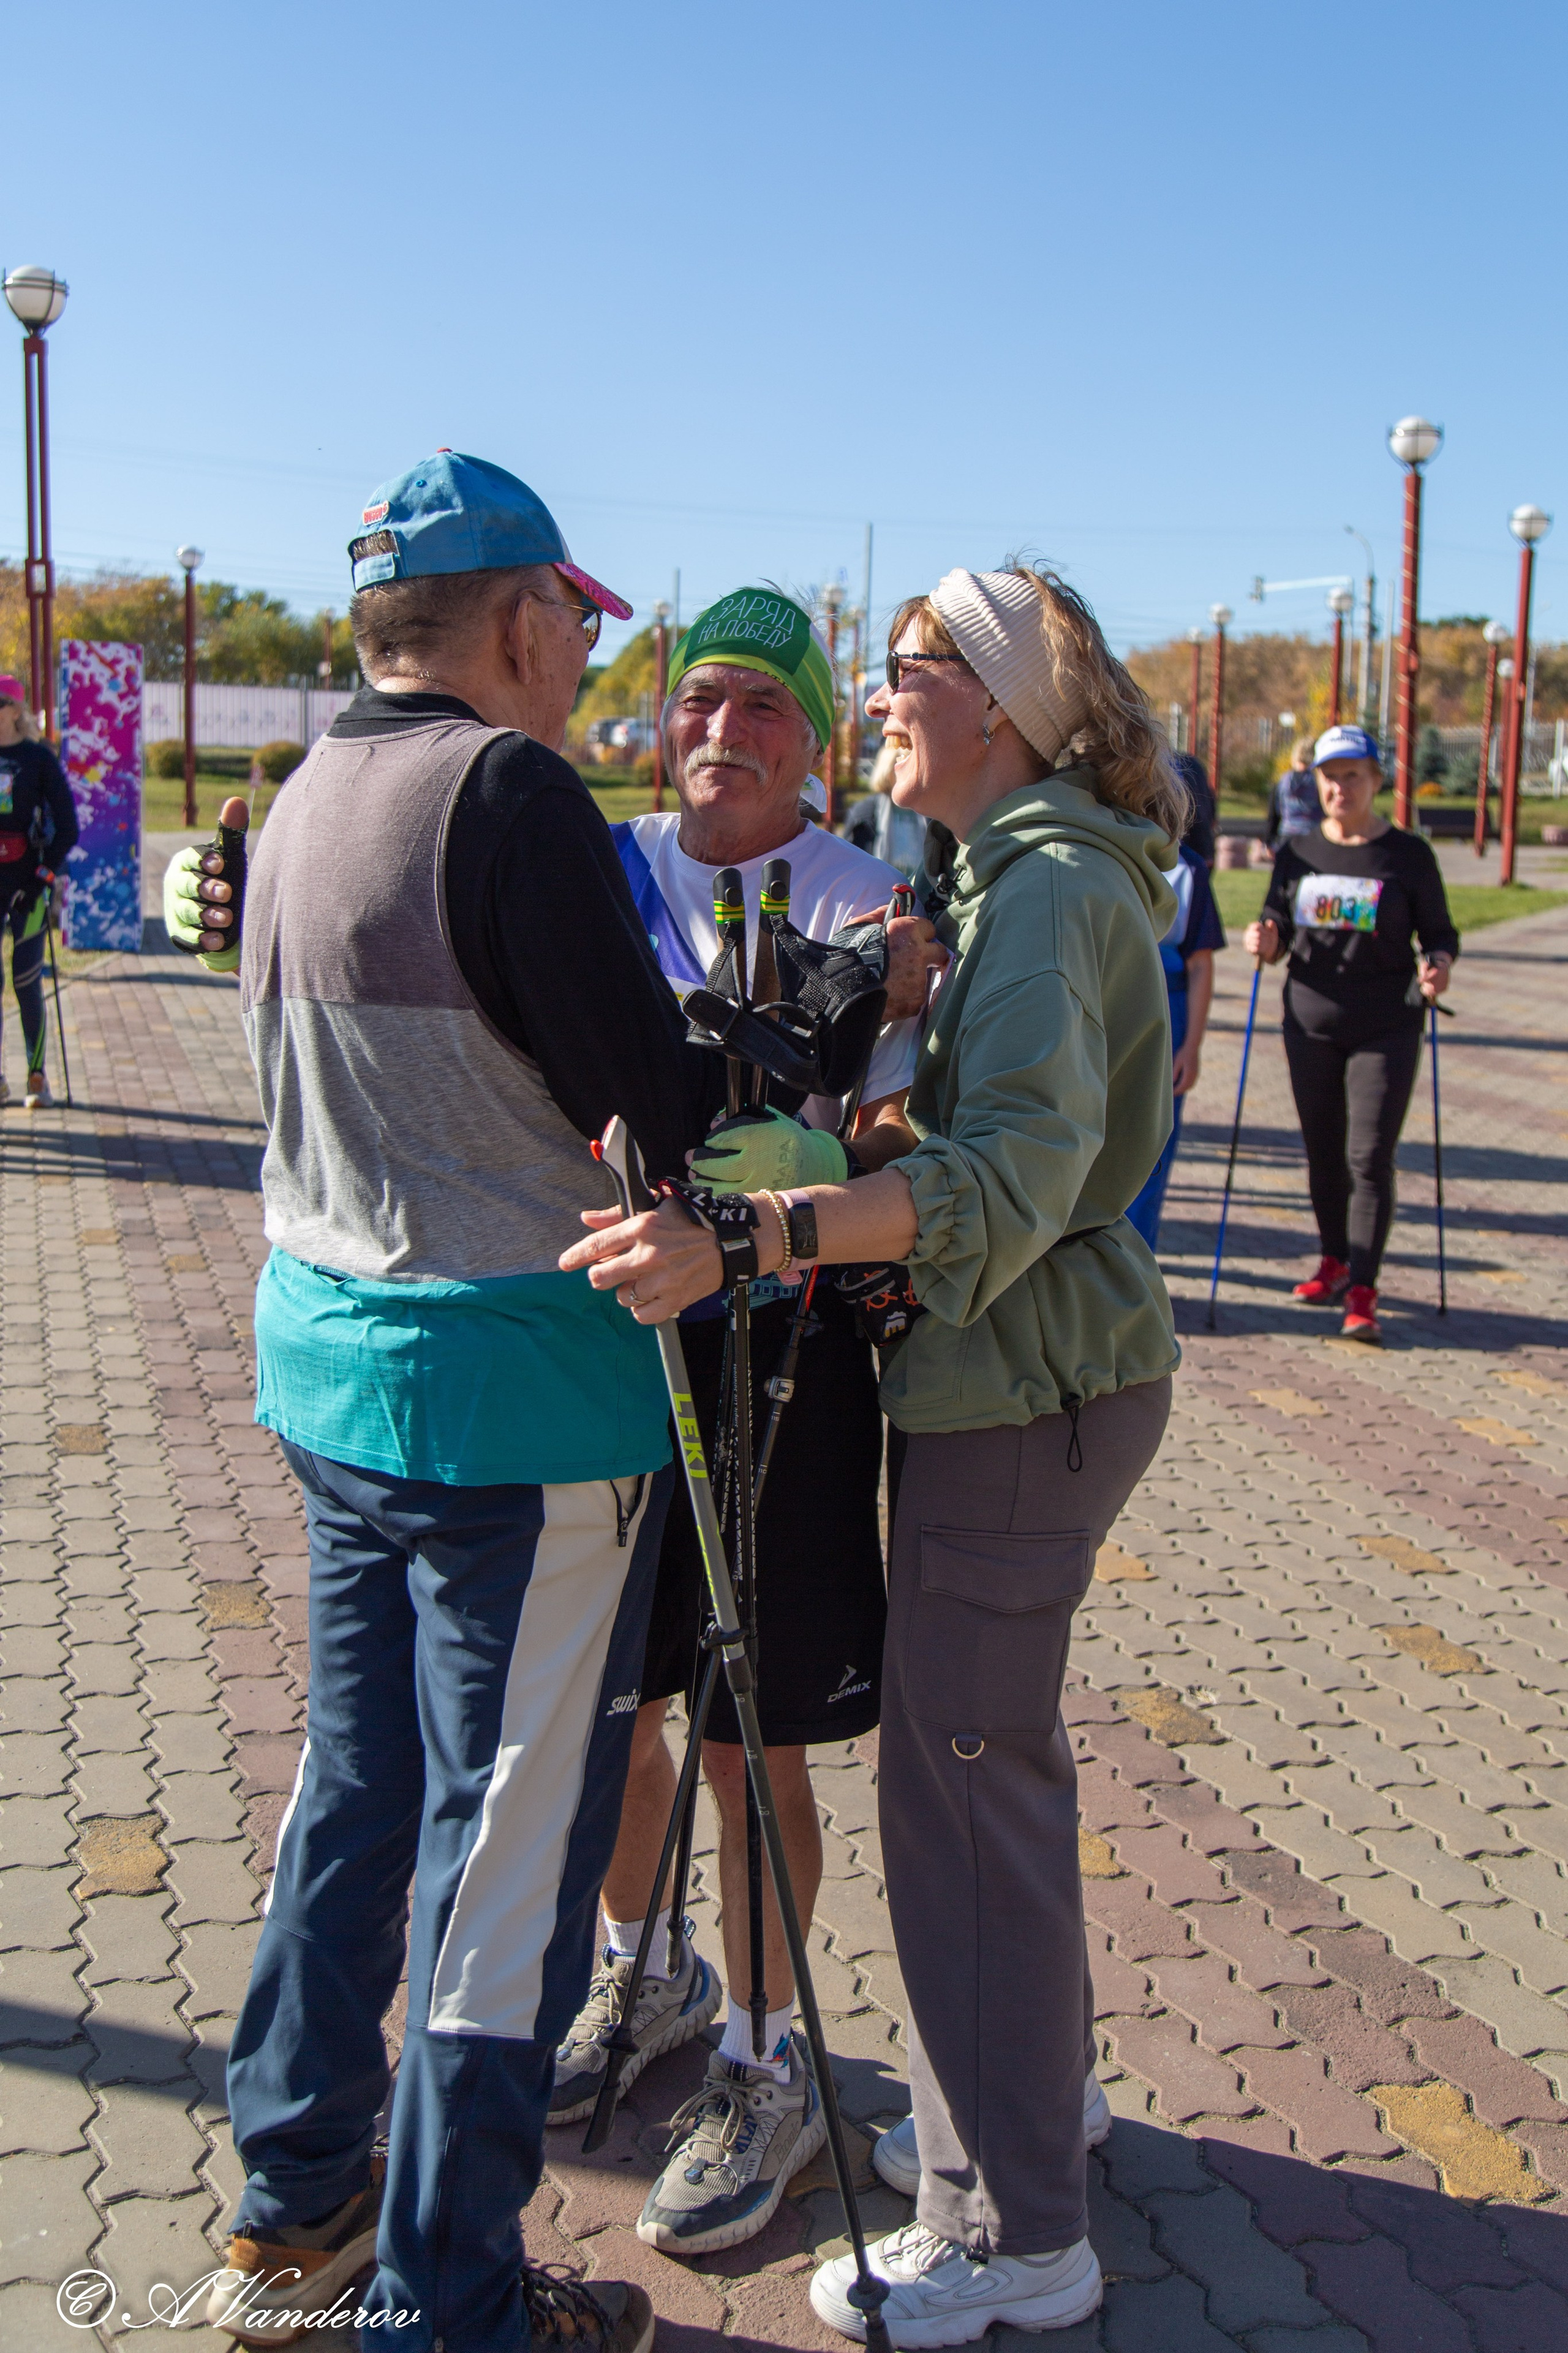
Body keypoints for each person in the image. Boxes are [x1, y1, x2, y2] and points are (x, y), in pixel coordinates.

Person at [173, 452, 793, 2353]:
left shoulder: (299, 796)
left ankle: (296, 2205)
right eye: (579, 626)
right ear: (519, 618)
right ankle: (451, 2297)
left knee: (350, 1797)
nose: (584, 663)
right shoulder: (505, 791)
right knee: (504, 1846)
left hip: (334, 1369)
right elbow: (650, 1106)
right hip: (514, 1400)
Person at [565, 563, 1187, 2343]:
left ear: (994, 705)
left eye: (907, 667)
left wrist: (763, 1232)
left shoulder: (1050, 884)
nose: (879, 691)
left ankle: (1008, 2227)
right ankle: (1033, 2096)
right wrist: (846, 1120)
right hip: (1017, 1381)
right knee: (1000, 1774)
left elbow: (1005, 1183)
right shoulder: (1000, 873)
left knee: (957, 1796)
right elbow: (992, 1120)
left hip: (1024, 1391)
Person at [548, 583, 946, 2259]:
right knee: (618, 1712)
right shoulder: (601, 859)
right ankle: (645, 1976)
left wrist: (821, 1155)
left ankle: (772, 2061)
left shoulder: (877, 892)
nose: (722, 731)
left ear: (817, 736)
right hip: (611, 1349)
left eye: (761, 707)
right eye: (701, 698)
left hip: (784, 1357)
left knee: (746, 1735)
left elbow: (914, 1119)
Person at [1245, 722, 1457, 1346]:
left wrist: (1438, 965)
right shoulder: (1298, 852)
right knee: (1322, 1149)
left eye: (1353, 776)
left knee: (1367, 1156)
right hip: (1309, 1020)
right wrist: (1265, 937)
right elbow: (1276, 921)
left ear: (1376, 781)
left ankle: (1363, 1289)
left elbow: (1440, 933)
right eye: (1331, 777)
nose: (1341, 787)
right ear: (1317, 783)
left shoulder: (1409, 855)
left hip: (1386, 1023)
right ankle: (1333, 1260)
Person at [1123, 839, 1224, 1251]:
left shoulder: (1188, 867)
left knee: (1150, 1155)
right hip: (1106, 1006)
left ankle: (1134, 1270)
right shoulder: (1092, 847)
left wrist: (1192, 1046)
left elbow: (1201, 963)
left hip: (1169, 1011)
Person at [0, 674, 77, 1108]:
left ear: (15, 710)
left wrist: (46, 875)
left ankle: (36, 1076)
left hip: (28, 883)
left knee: (26, 979)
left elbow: (68, 826)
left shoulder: (38, 759)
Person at [843, 740, 929, 879]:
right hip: (876, 893)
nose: (908, 776)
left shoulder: (931, 812)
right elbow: (849, 865)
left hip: (924, 895)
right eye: (901, 768)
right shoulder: (864, 814)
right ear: (888, 772)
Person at [1264, 735, 1322, 848]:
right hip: (1314, 838)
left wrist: (1269, 841)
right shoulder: (1319, 782)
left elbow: (1274, 814)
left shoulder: (1283, 782)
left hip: (1287, 837)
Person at [1170, 749, 1215, 868]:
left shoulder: (1186, 765)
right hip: (1184, 847)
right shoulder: (1190, 764)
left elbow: (1201, 810)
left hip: (1183, 845)